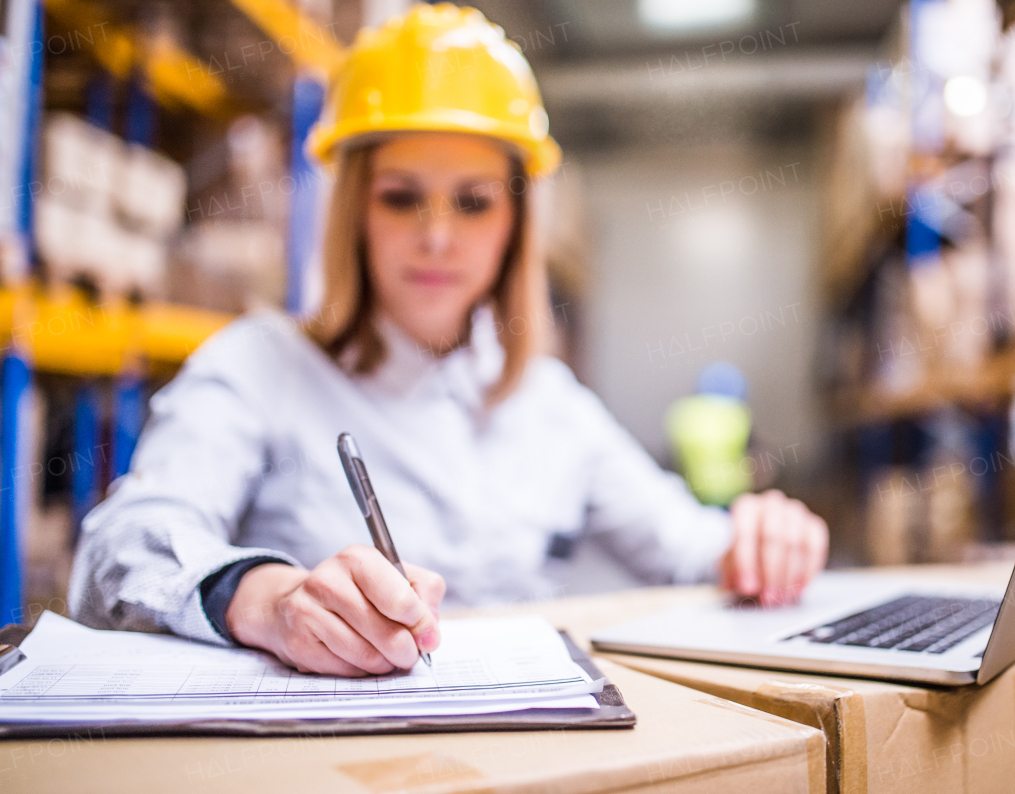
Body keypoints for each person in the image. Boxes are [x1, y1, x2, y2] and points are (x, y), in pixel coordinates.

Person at [68, 4, 828, 677]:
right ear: (355, 213)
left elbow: (687, 544)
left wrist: (760, 539)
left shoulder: (547, 403)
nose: (436, 237)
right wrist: (266, 599)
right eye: (402, 198)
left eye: (473, 202)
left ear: (516, 223)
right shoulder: (258, 366)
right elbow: (119, 551)